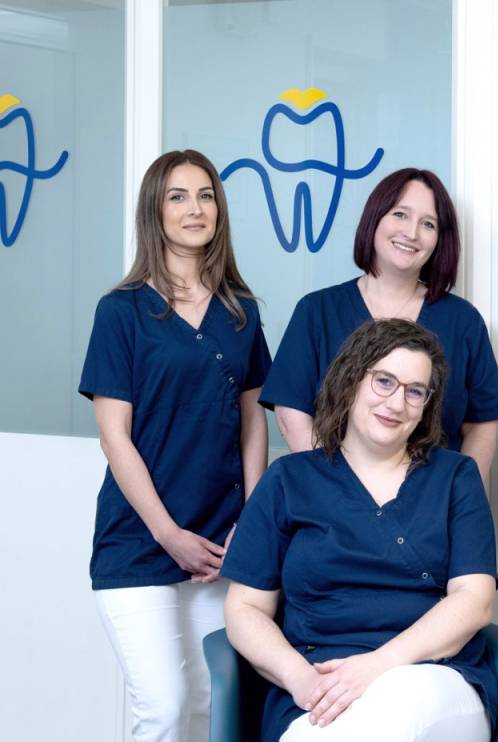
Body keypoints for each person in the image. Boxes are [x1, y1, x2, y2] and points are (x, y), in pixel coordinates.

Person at [222, 319, 498, 742]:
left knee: (396, 705)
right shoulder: (288, 480)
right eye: (384, 381)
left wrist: (377, 667)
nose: (397, 403)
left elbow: (474, 601)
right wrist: (299, 678)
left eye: (415, 391)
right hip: (319, 687)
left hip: (432, 678)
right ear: (351, 379)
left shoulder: (455, 477)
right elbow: (244, 609)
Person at [79, 149, 271, 742]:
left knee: (217, 709)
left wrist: (250, 523)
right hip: (140, 540)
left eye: (206, 196)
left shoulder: (241, 312)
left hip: (221, 541)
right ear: (154, 211)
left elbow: (253, 423)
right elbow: (114, 436)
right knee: (164, 708)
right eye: (178, 196)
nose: (196, 209)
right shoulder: (121, 311)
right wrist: (168, 534)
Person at [260, 168, 498, 476]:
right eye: (400, 215)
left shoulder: (463, 321)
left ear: (439, 240)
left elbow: (481, 425)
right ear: (374, 219)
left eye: (428, 224)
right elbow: (292, 414)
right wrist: (334, 489)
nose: (412, 233)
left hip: (433, 502)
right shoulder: (317, 311)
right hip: (331, 499)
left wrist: (460, 495)